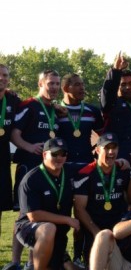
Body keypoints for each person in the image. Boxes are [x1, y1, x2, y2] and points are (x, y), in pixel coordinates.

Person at [8, 69, 61, 270]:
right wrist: (29, 147)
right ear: (40, 84)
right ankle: (15, 261)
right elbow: (14, 133)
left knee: (41, 213)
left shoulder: (56, 109)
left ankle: (32, 262)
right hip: (28, 166)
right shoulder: (29, 106)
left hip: (48, 169)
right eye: (50, 83)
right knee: (24, 214)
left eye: (57, 84)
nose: (54, 87)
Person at [73, 133, 131, 265]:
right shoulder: (85, 174)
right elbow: (79, 209)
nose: (111, 152)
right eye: (106, 148)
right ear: (98, 150)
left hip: (118, 228)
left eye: (114, 148)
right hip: (93, 228)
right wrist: (96, 233)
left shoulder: (123, 170)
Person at [15, 138, 79, 270]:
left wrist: (119, 162)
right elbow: (34, 215)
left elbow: (95, 166)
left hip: (58, 233)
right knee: (48, 228)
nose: (59, 158)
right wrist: (67, 219)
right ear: (44, 155)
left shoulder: (69, 171)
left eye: (63, 154)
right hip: (28, 227)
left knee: (67, 267)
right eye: (54, 154)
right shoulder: (31, 179)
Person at [57, 73, 104, 165]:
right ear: (65, 88)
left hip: (87, 163)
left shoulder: (92, 111)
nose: (82, 88)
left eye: (83, 84)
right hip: (62, 165)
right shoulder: (55, 111)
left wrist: (99, 153)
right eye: (77, 85)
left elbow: (103, 137)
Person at [0, 64, 22, 246]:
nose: (2, 78)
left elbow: (34, 106)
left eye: (5, 75)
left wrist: (55, 105)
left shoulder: (13, 100)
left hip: (2, 163)